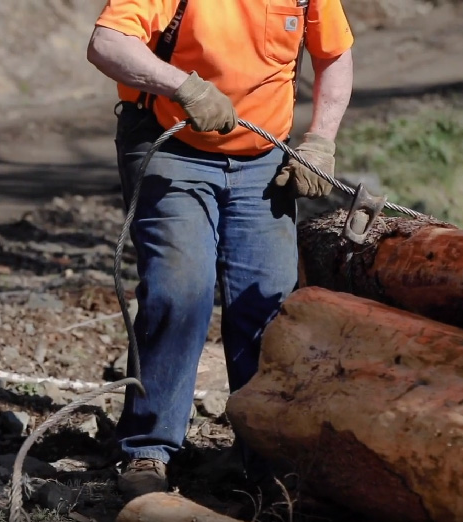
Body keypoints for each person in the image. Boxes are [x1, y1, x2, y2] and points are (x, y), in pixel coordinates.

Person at [86, 0, 354, 503]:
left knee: (269, 304)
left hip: (263, 158)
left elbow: (334, 55)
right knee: (178, 289)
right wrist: (181, 86)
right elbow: (106, 43)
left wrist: (320, 141)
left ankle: (266, 457)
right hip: (172, 148)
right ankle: (149, 448)